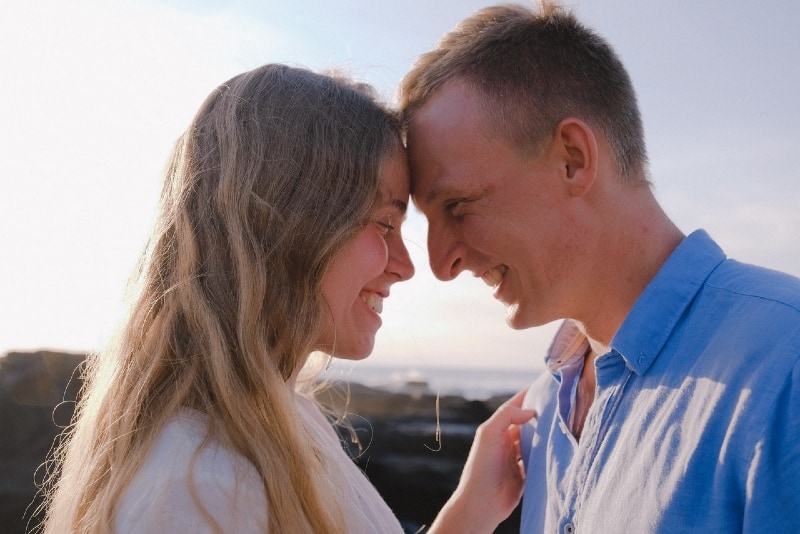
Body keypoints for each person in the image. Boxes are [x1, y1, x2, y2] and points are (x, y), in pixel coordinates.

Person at [37, 64, 532, 533]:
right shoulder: (198, 493)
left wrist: (472, 510)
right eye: (384, 223)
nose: (405, 266)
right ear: (291, 226)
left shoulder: (275, 423)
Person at [399, 2, 800, 533]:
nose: (439, 264)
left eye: (457, 206)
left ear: (573, 158)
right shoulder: (543, 414)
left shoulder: (785, 363)